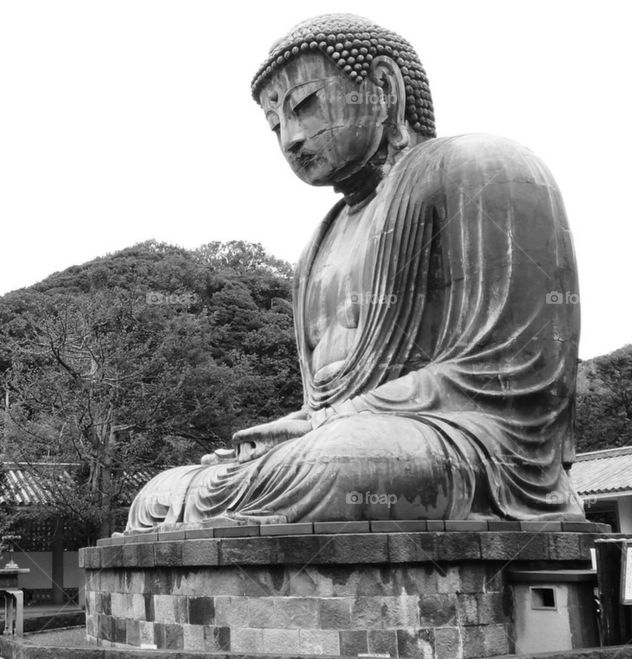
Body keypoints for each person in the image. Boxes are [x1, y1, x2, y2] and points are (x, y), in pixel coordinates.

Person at [126, 13, 584, 530]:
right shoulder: (319, 243)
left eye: (305, 106)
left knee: (335, 464)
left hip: (474, 447)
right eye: (276, 126)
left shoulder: (484, 168)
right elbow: (323, 403)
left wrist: (325, 424)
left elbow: (516, 381)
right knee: (159, 496)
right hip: (344, 442)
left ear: (382, 89)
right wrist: (302, 427)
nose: (291, 140)